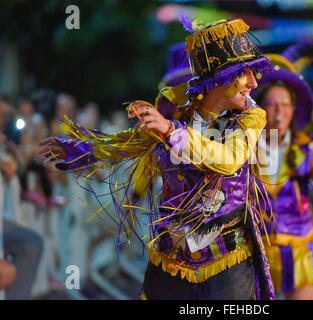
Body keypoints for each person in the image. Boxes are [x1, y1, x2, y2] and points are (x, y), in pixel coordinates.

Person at [39, 18, 276, 300]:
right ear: (219, 76)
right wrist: (76, 150)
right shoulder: (174, 112)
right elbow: (129, 144)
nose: (253, 81)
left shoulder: (251, 118)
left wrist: (172, 131)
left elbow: (229, 159)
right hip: (170, 261)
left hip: (228, 265)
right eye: (244, 72)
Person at [252, 44, 313, 300]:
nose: (279, 111)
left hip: (299, 249)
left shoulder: (307, 148)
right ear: (259, 109)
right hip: (254, 253)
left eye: (285, 104)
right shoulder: (243, 148)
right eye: (271, 104)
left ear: (293, 110)